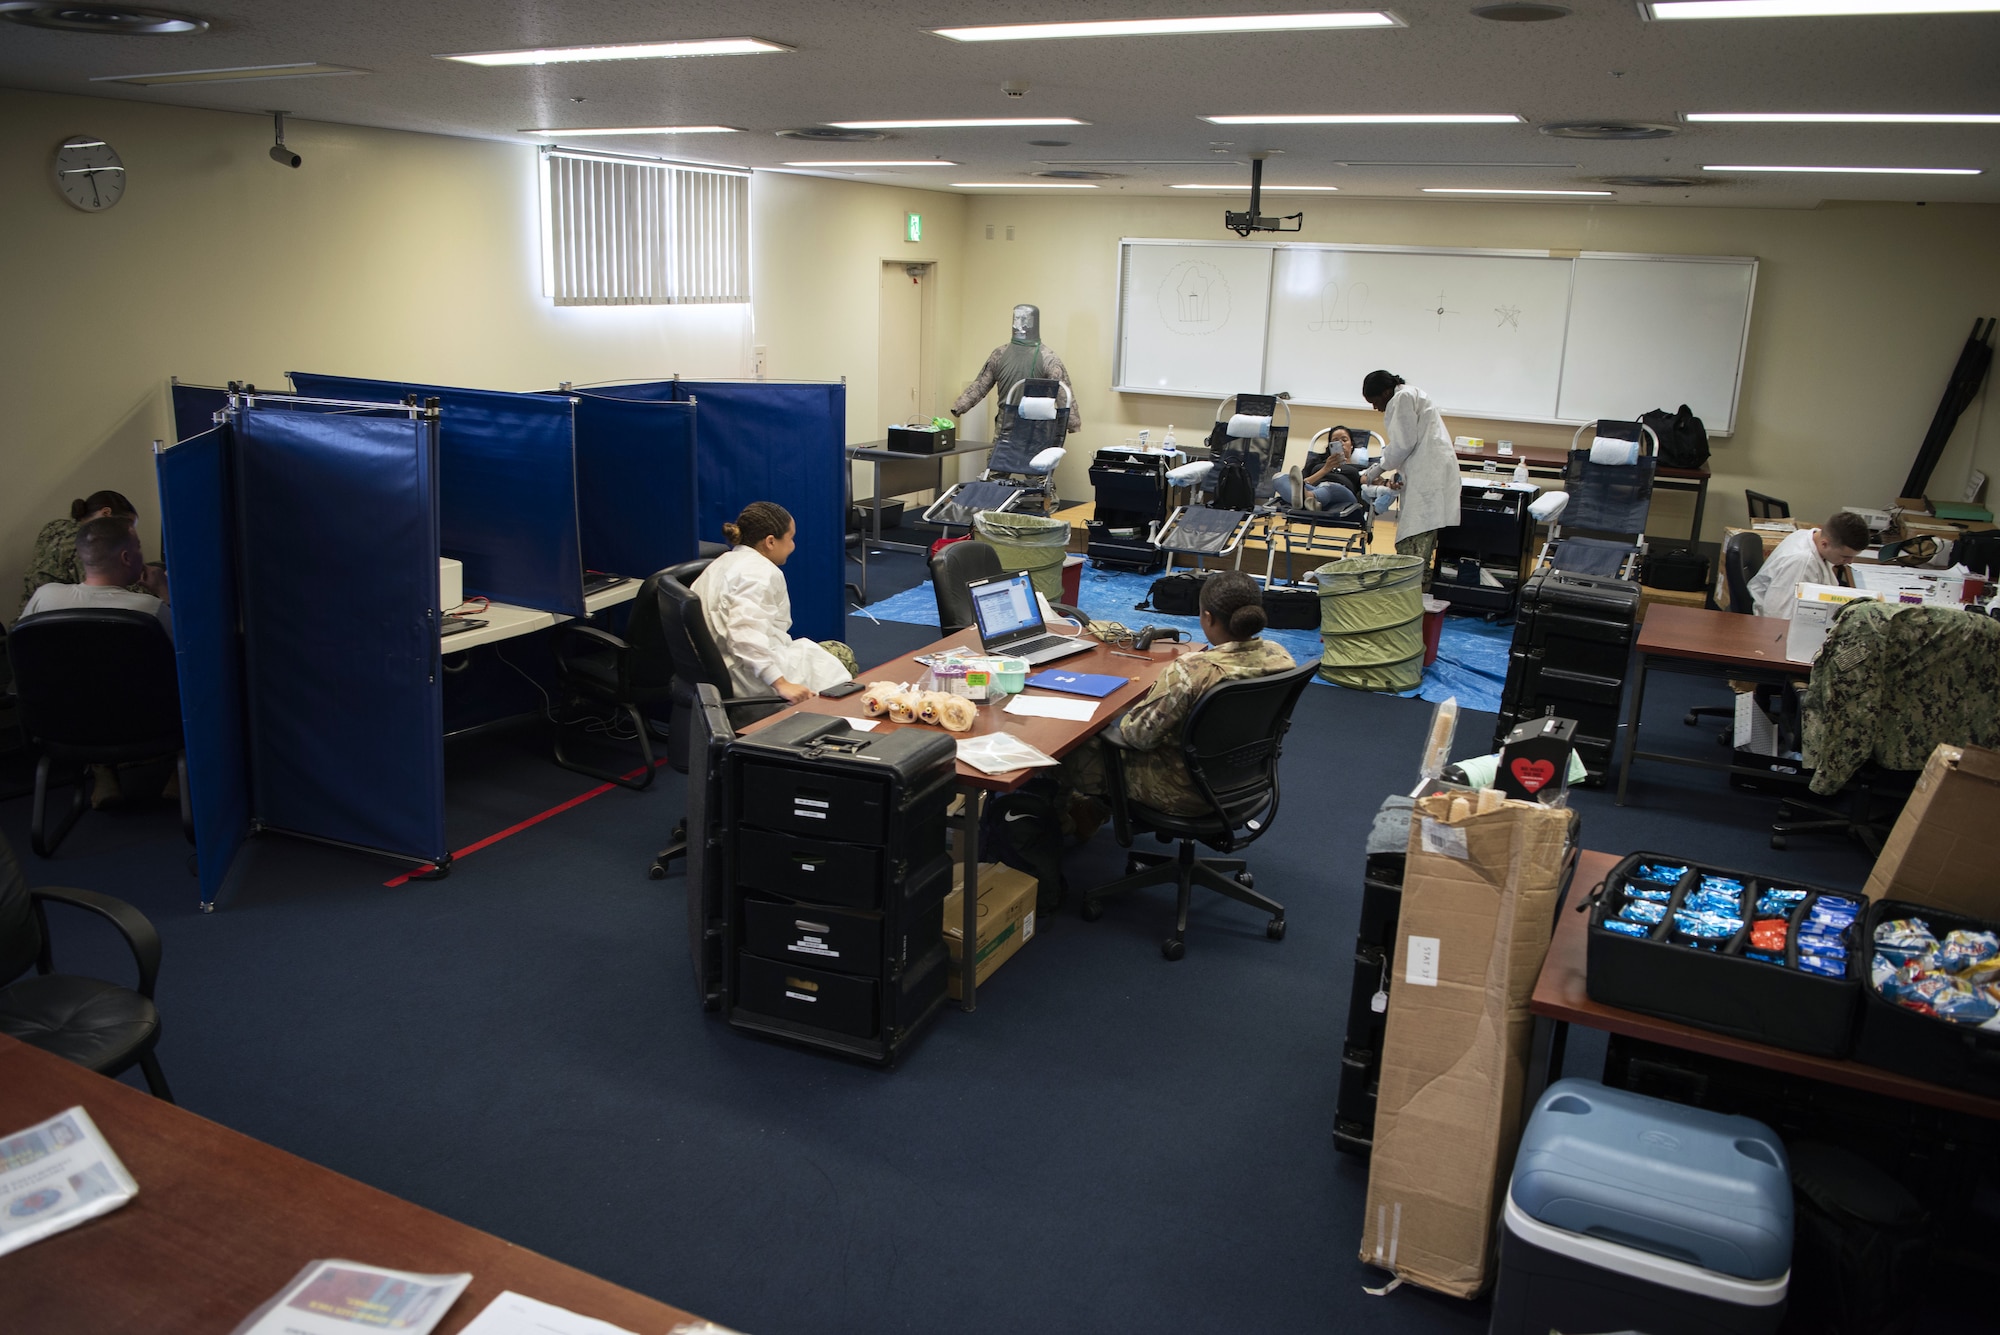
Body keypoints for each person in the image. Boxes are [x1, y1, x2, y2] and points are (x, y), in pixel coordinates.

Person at [1062, 571, 1296, 821]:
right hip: (1244, 778)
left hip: (1181, 792)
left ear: (1207, 617)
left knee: (1069, 745)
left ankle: (1057, 822)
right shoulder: (1280, 656)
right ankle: (1091, 813)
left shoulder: (1192, 671)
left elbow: (1137, 737)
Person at [691, 502, 858, 703]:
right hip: (750, 680)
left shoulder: (721, 563)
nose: (793, 546)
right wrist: (781, 683)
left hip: (716, 674)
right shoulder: (759, 574)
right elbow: (745, 635)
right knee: (841, 657)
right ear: (770, 542)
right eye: (790, 538)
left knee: (822, 654)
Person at [1358, 371, 1461, 591]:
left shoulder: (1401, 398)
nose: (1375, 408)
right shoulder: (1410, 394)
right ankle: (1417, 584)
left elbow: (1403, 444)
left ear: (1386, 392)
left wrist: (1375, 471)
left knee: (1417, 529)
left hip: (1428, 473)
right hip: (1428, 470)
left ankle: (1414, 587)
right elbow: (1407, 445)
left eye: (1375, 401)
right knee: (1422, 526)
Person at [20, 514, 173, 642]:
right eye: (138, 547)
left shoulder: (45, 596)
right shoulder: (149, 608)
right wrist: (164, 591)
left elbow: (20, 646)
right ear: (126, 558)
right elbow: (188, 651)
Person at [951, 303, 1083, 435]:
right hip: (1005, 428)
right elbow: (980, 385)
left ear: (1034, 322)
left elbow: (1064, 393)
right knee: (999, 455)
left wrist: (1072, 422)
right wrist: (959, 406)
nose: (1019, 324)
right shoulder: (999, 355)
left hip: (1036, 430)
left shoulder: (1047, 359)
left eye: (1024, 319)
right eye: (1017, 319)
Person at [19, 489, 139, 613]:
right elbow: (109, 591)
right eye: (127, 525)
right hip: (56, 622)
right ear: (106, 513)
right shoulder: (87, 541)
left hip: (29, 619)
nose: (129, 532)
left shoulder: (53, 527)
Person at [1746, 512, 1870, 619]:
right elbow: (1780, 617)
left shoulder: (1809, 535)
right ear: (1824, 544)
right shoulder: (1801, 563)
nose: (1850, 562)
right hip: (1777, 628)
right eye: (1845, 556)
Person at [1277, 426, 1370, 511]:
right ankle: (1310, 501)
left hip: (1343, 496)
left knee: (1330, 486)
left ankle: (1307, 497)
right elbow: (1303, 482)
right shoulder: (1317, 463)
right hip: (1313, 488)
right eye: (1335, 441)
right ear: (1330, 446)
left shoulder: (1359, 468)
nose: (1341, 443)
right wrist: (1326, 468)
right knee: (1279, 478)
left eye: (1344, 440)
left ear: (1352, 445)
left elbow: (1366, 488)